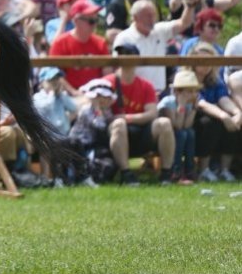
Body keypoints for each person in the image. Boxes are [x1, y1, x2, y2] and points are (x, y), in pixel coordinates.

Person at [105, 43, 176, 185]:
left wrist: (127, 118)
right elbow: (103, 113)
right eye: (121, 54)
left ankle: (166, 174)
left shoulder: (145, 85)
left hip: (142, 132)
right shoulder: (107, 82)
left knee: (164, 123)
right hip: (115, 134)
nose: (124, 58)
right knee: (119, 124)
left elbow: (151, 113)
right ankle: (126, 174)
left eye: (128, 54)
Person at [113, 0, 194, 96]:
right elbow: (117, 68)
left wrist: (190, 6)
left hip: (160, 92)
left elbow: (184, 23)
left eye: (153, 15)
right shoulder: (124, 38)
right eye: (148, 16)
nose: (152, 19)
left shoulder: (159, 31)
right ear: (135, 17)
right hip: (135, 94)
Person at [190, 41, 242, 182]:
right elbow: (201, 103)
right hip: (192, 116)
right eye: (202, 60)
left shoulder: (215, 80)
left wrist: (237, 113)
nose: (206, 64)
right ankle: (204, 170)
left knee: (234, 122)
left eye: (209, 60)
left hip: (216, 113)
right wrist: (223, 115)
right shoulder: (188, 78)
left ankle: (224, 170)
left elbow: (223, 99)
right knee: (211, 123)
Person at [48, 0, 110, 90]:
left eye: (96, 20)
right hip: (67, 95)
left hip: (96, 94)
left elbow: (107, 74)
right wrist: (74, 93)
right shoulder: (60, 43)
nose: (94, 25)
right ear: (76, 21)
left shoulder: (101, 43)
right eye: (91, 21)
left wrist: (96, 93)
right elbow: (55, 74)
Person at [69, 78, 116, 186]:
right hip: (80, 146)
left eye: (105, 97)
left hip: (95, 145)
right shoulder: (86, 110)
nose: (102, 99)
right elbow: (100, 126)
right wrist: (98, 110)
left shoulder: (107, 111)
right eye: (98, 96)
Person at [158, 69, 201, 184]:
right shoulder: (168, 102)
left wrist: (194, 109)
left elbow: (187, 125)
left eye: (195, 91)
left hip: (180, 130)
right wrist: (181, 106)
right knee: (181, 134)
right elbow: (177, 125)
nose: (193, 94)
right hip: (165, 135)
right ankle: (175, 170)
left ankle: (189, 169)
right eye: (189, 91)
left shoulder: (189, 104)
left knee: (190, 132)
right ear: (177, 92)